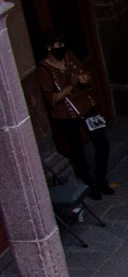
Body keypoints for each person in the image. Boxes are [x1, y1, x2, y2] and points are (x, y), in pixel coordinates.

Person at [38, 37, 111, 200]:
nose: (62, 48)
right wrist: (70, 85)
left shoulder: (70, 57)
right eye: (58, 45)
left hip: (86, 107)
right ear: (49, 47)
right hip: (65, 114)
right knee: (76, 148)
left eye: (63, 44)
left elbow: (85, 77)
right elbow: (52, 99)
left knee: (102, 143)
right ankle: (89, 183)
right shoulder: (44, 70)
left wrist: (85, 80)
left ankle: (101, 179)